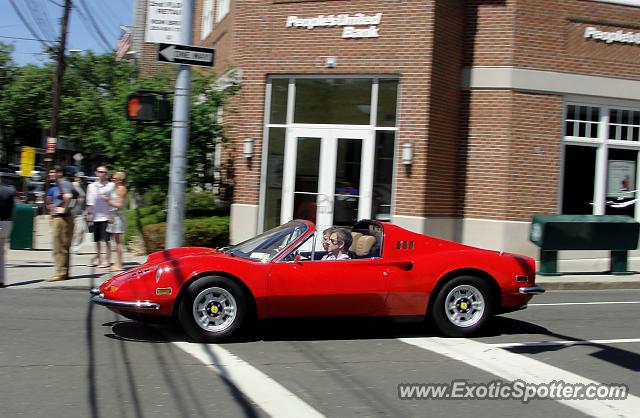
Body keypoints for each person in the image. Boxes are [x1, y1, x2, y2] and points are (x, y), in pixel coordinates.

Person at [49, 165, 78, 282]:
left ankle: (59, 273)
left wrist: (63, 209)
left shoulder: (62, 182)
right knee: (65, 247)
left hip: (61, 219)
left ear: (59, 173)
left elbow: (68, 196)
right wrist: (71, 208)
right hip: (68, 218)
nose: (50, 174)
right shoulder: (68, 183)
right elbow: (77, 196)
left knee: (58, 247)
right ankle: (65, 272)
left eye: (52, 172)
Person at [85, 165, 114, 268]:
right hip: (95, 216)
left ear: (107, 174)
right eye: (100, 171)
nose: (102, 173)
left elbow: (113, 201)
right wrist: (89, 215)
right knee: (96, 240)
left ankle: (107, 260)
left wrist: (111, 215)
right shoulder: (91, 186)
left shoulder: (110, 185)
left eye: (104, 172)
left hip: (106, 216)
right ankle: (98, 258)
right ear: (96, 173)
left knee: (106, 240)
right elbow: (89, 202)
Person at [106, 171, 127, 272]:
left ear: (119, 180)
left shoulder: (121, 189)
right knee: (116, 242)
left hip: (118, 218)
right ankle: (117, 262)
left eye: (114, 178)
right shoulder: (117, 188)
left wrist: (108, 201)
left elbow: (120, 205)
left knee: (118, 242)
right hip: (115, 216)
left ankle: (119, 264)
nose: (112, 180)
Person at [0, 177, 15, 288]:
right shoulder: (9, 191)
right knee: (1, 253)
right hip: (7, 223)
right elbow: (14, 209)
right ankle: (1, 280)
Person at [70, 173, 87, 254]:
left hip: (80, 212)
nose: (80, 179)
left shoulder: (83, 187)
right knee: (72, 231)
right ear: (75, 177)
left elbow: (86, 199)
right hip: (71, 211)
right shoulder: (71, 186)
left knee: (81, 230)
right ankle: (71, 246)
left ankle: (76, 247)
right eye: (78, 177)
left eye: (81, 178)